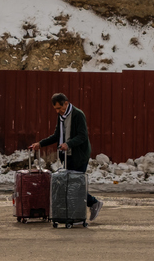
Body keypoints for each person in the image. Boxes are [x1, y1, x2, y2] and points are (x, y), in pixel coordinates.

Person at [29, 92, 103, 222]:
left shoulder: (77, 115)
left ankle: (92, 204)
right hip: (67, 156)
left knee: (74, 186)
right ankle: (74, 214)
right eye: (56, 109)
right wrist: (40, 144)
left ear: (66, 103)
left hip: (79, 156)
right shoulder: (61, 117)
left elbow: (82, 136)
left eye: (60, 108)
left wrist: (68, 144)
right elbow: (57, 135)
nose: (58, 111)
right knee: (69, 185)